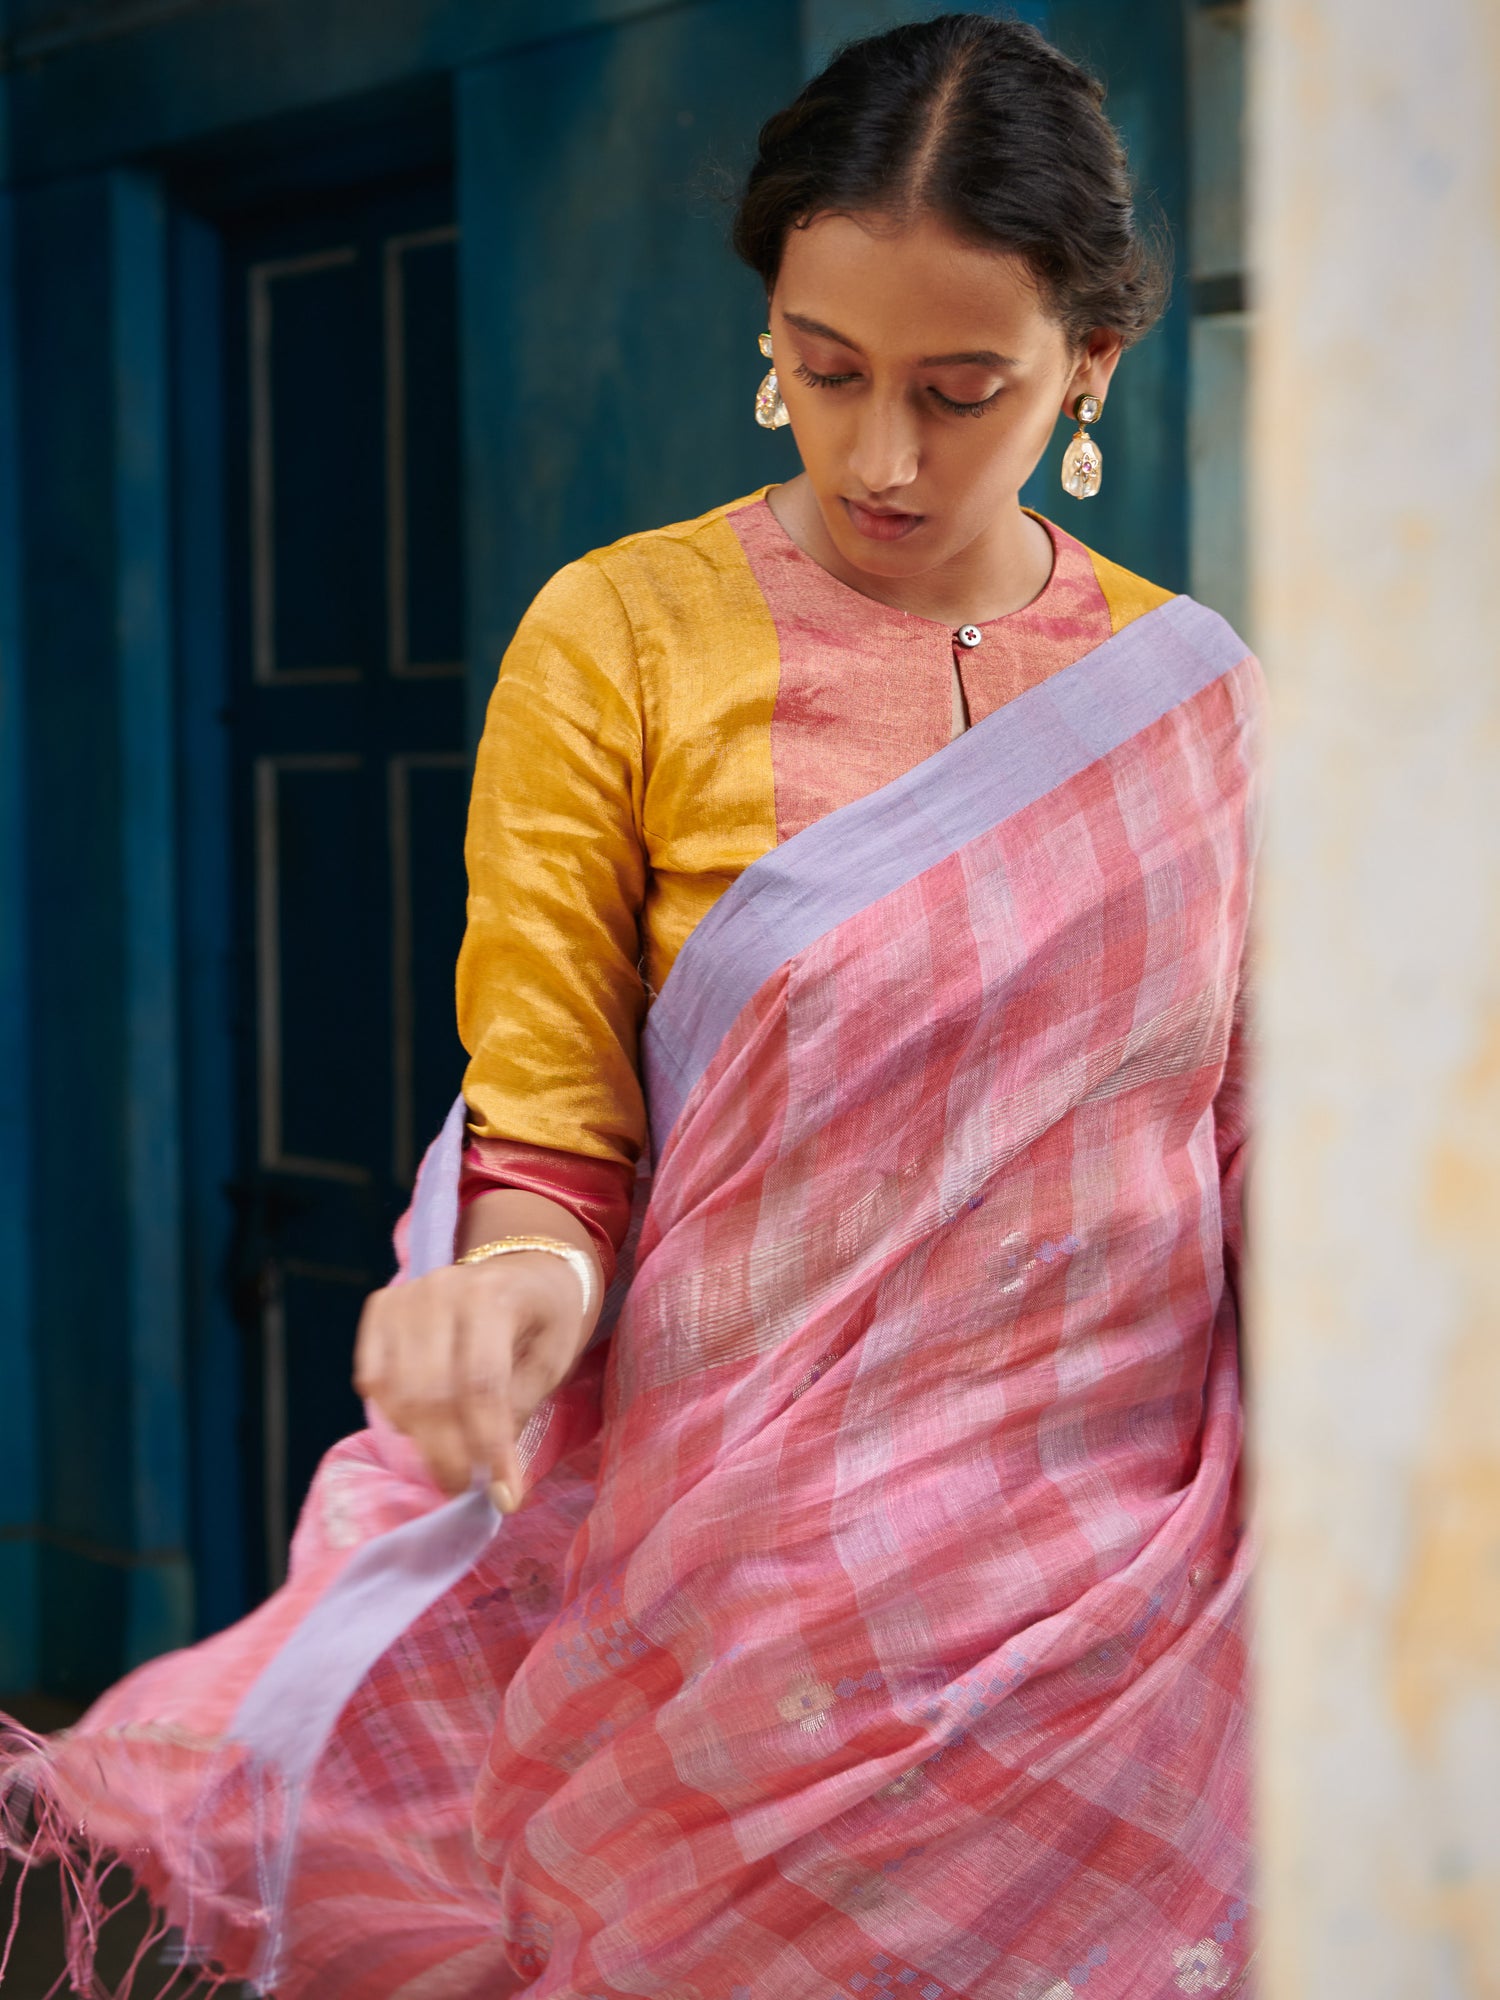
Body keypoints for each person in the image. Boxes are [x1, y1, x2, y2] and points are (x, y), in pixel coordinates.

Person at [1, 15, 1257, 1997]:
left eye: (964, 391)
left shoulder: (1199, 704)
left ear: (1092, 365)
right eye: (825, 369)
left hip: (1134, 1630)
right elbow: (553, 1123)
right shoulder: (626, 639)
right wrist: (516, 1284)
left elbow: (1274, 1155)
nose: (883, 457)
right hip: (749, 1612)